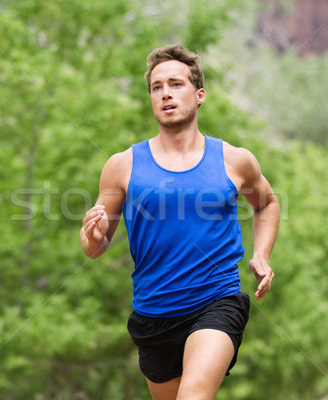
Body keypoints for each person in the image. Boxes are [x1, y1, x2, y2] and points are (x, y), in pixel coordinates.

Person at [80, 44, 280, 400]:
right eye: (157, 87)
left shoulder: (234, 160)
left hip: (217, 301)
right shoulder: (122, 166)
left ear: (199, 94)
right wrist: (92, 236)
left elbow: (267, 203)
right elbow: (95, 247)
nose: (165, 93)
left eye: (175, 84)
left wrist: (261, 254)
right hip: (153, 314)